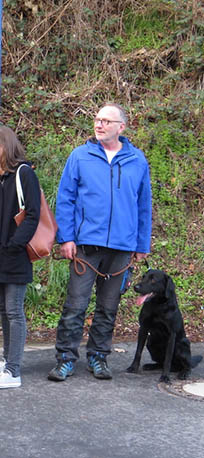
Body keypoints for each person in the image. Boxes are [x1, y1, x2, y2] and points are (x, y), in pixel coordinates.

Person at [48, 103, 152, 382]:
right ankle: (66, 359)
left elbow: (143, 204)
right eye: (97, 119)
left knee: (108, 306)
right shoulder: (80, 156)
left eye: (107, 120)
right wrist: (66, 238)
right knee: (75, 305)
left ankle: (98, 357)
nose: (99, 124)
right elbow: (66, 198)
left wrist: (142, 244)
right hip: (85, 246)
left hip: (122, 247)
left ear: (122, 127)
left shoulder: (137, 160)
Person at [0, 126, 40, 389]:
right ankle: (6, 360)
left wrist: (15, 245)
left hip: (15, 255)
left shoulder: (24, 173)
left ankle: (13, 372)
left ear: (4, 145)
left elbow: (33, 214)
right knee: (4, 310)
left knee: (14, 311)